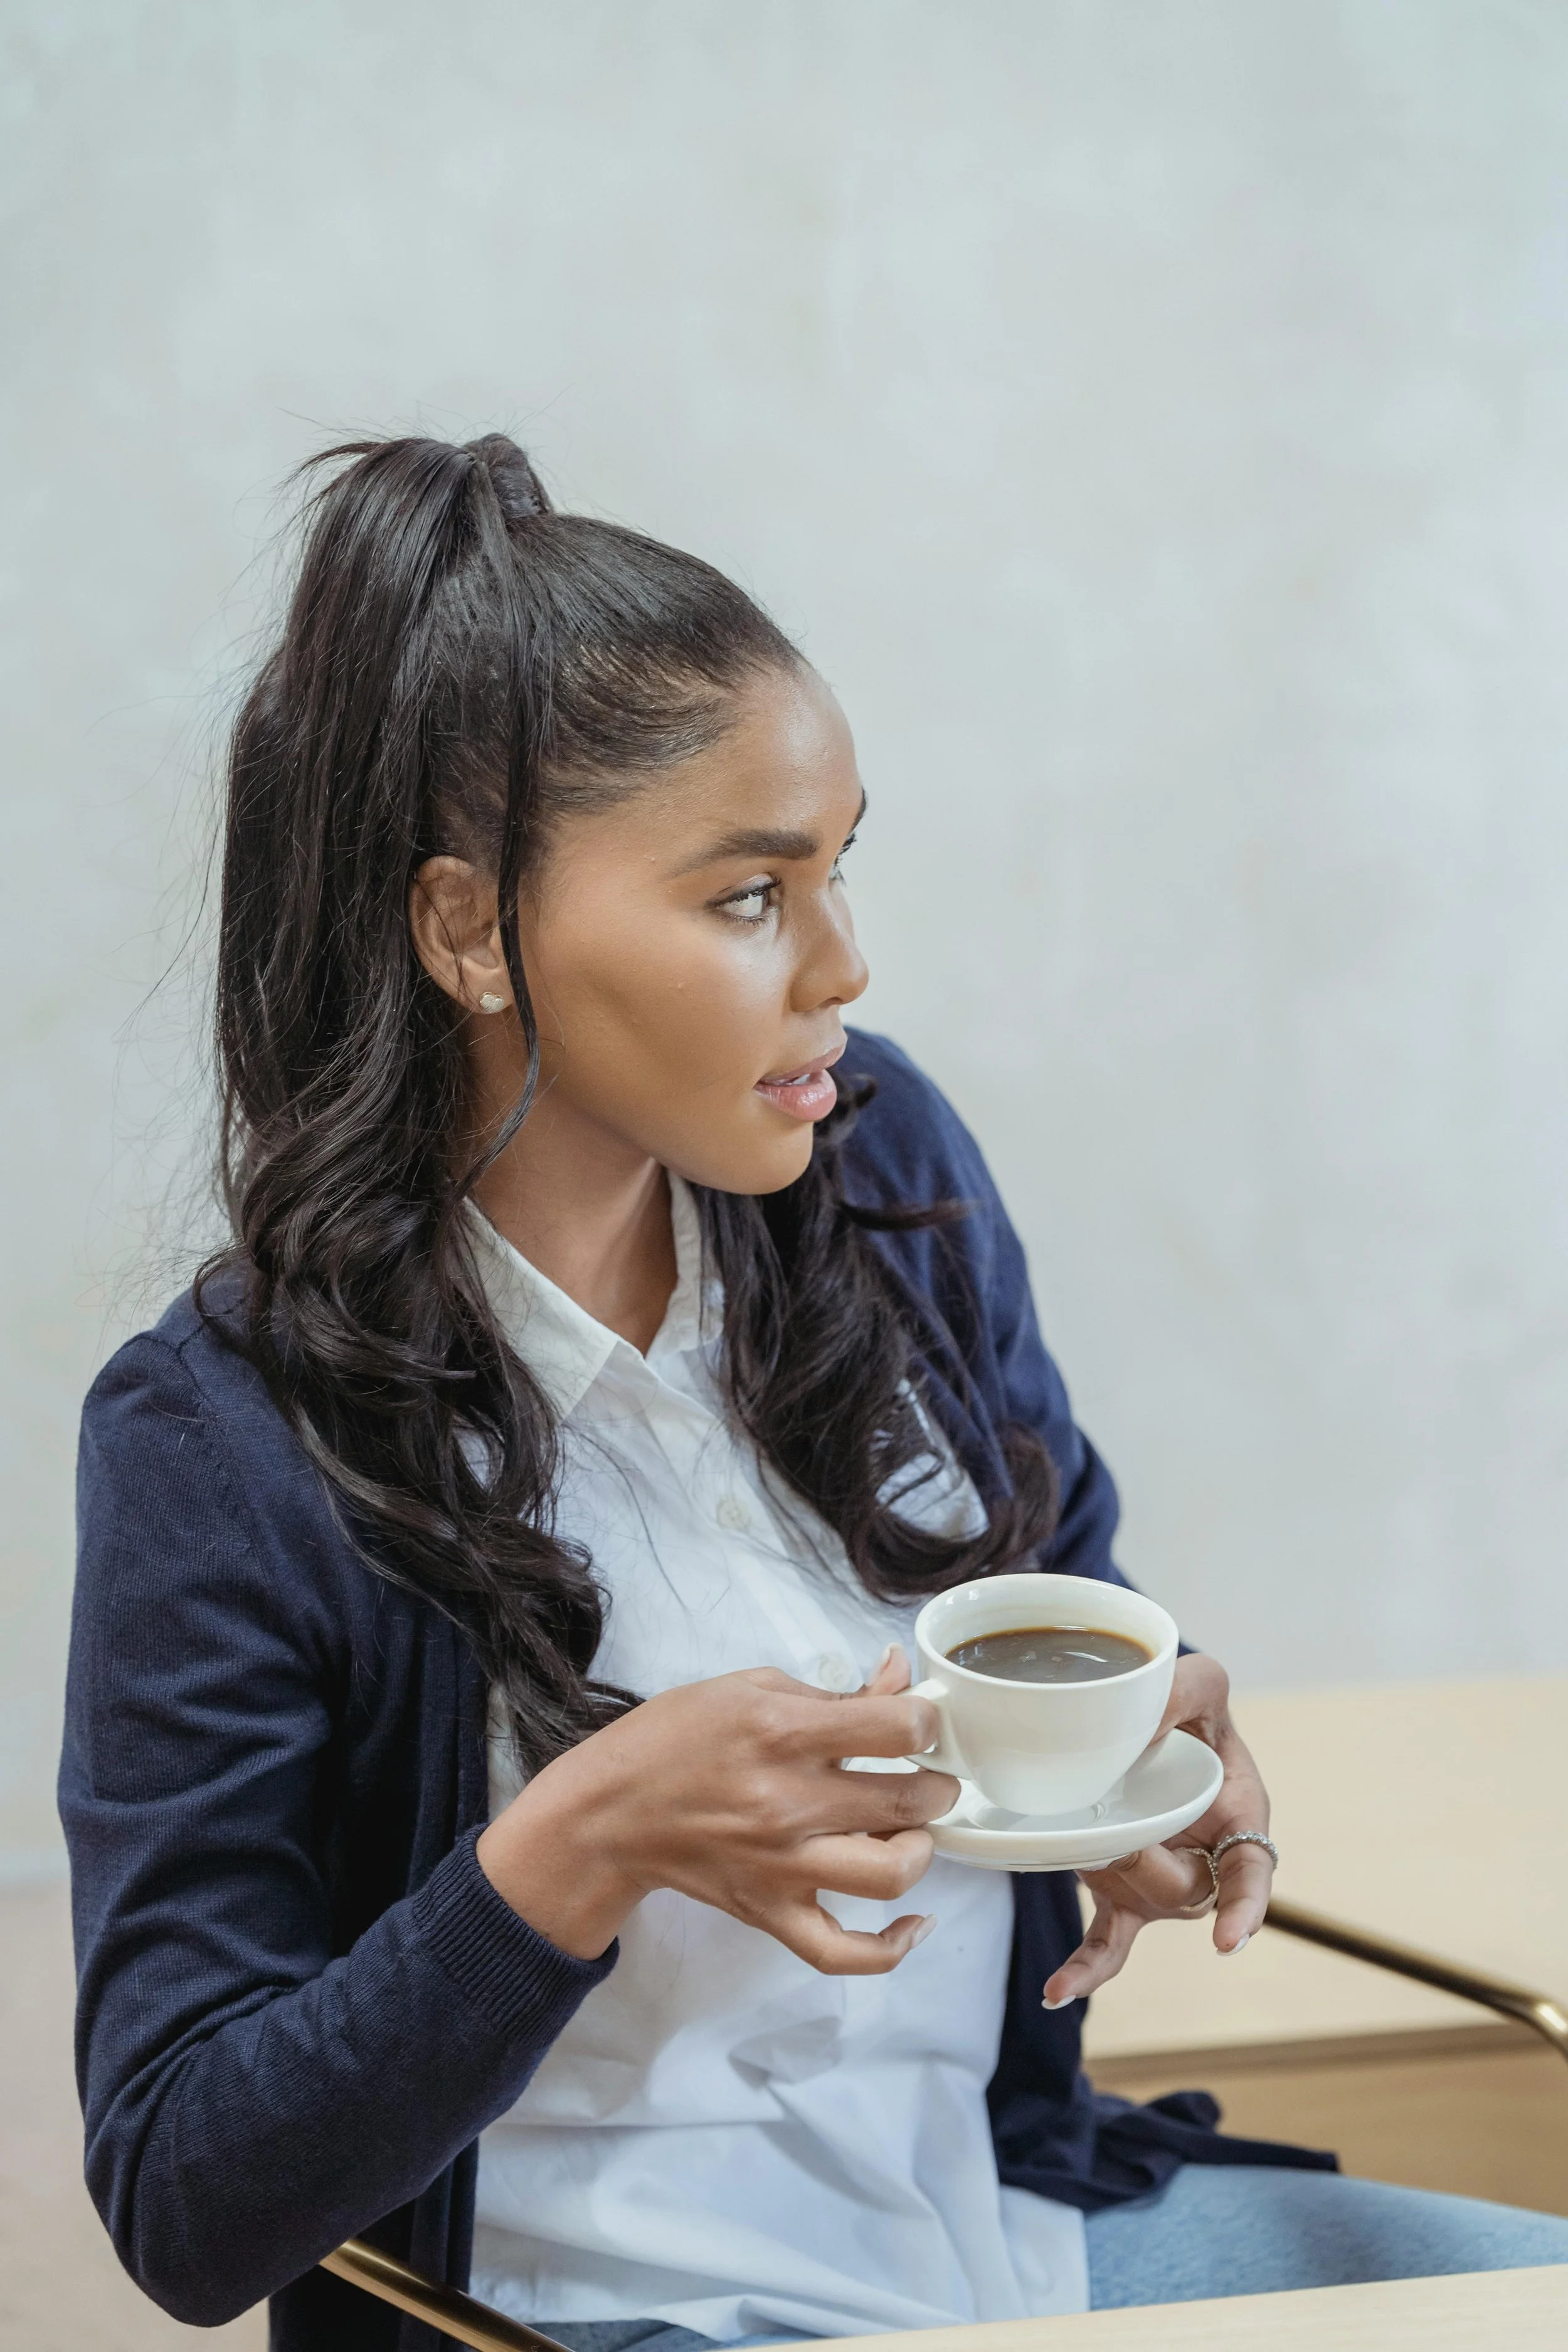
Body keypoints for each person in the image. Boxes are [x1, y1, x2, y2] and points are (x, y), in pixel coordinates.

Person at [61, 435, 1568, 2352]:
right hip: (596, 2308)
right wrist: (583, 1838)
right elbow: (185, 2192)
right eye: (750, 894)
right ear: (465, 928)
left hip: (1000, 2226)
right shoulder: (222, 1438)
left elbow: (1066, 1572)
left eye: (837, 866)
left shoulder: (880, 1168)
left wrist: (1122, 1764)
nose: (843, 963)